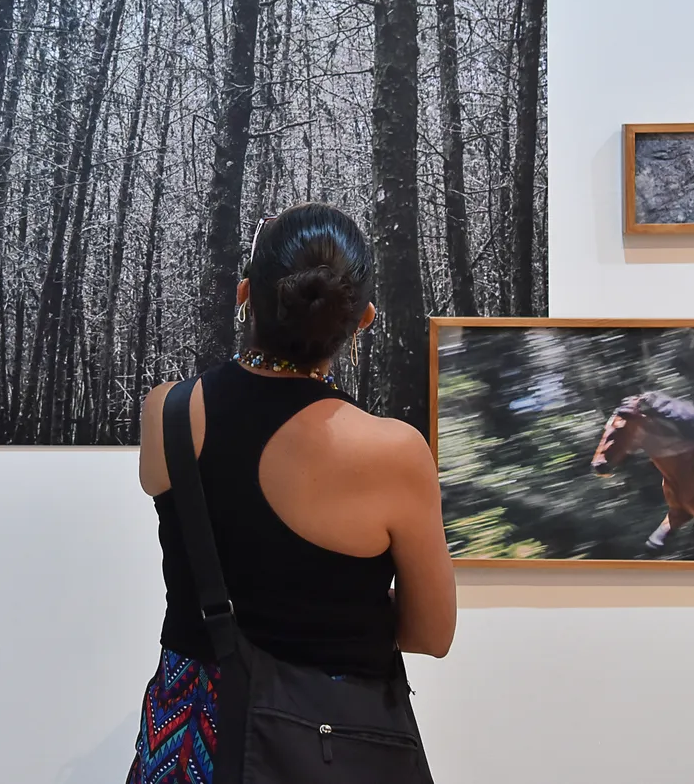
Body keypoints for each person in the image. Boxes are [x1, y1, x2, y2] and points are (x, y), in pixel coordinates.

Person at [126, 203, 455, 782]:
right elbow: (431, 633)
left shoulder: (169, 413)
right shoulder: (393, 452)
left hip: (194, 743)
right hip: (338, 745)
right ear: (363, 320)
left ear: (245, 293)